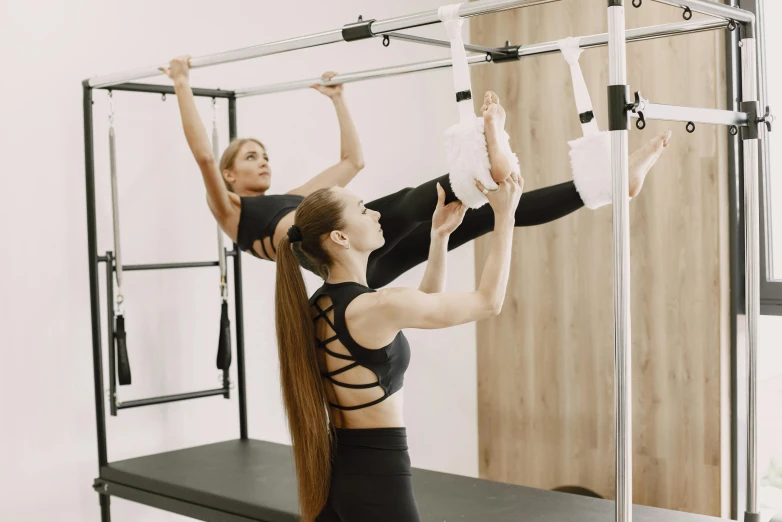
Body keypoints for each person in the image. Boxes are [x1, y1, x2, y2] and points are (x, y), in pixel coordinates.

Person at [161, 56, 671, 288]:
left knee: (488, 216)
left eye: (263, 152)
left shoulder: (296, 200)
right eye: (250, 157)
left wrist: (339, 100)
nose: (262, 160)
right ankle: (480, 166)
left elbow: (353, 162)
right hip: (350, 261)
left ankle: (601, 186)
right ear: (229, 177)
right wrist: (183, 84)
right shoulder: (231, 212)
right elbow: (203, 155)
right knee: (413, 199)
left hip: (365, 258)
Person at [274, 168, 523, 521]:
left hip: (338, 480)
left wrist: (439, 237)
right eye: (363, 209)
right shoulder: (378, 306)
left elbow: (423, 304)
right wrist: (505, 217)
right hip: (381, 485)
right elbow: (489, 302)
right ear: (340, 238)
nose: (376, 214)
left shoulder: (317, 309)